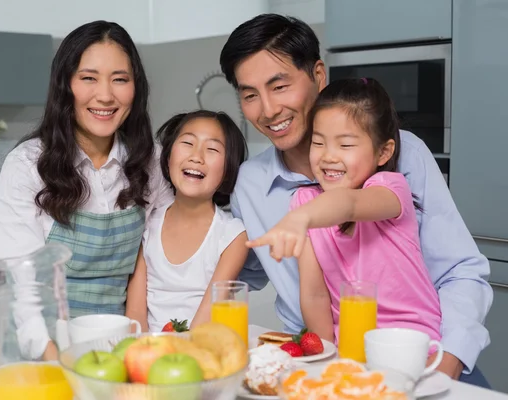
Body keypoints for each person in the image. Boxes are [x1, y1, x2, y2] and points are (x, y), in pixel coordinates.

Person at [219, 14, 492, 386]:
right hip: (327, 357)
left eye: (279, 86)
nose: (267, 111)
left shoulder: (404, 157)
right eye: (250, 95)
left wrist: (447, 365)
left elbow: (461, 272)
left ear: (318, 75)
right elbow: (243, 269)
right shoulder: (250, 183)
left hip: (429, 353)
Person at [0, 20, 173, 369]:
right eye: (88, 78)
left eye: (120, 79)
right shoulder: (27, 166)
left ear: (136, 87)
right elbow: (22, 289)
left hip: (113, 353)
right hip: (38, 355)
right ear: (65, 85)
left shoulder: (152, 161)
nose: (105, 95)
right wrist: (60, 364)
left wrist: (138, 346)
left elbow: (151, 261)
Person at [248, 78, 442, 347]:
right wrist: (325, 355)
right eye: (318, 143)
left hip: (411, 341)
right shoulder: (304, 202)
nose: (328, 156)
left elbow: (348, 204)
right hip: (348, 344)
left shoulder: (390, 189)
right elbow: (315, 294)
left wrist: (300, 219)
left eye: (345, 145)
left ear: (383, 152)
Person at [126, 110, 249, 332]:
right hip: (147, 352)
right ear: (168, 157)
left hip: (201, 351)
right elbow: (135, 315)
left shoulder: (233, 235)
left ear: (228, 169)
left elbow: (208, 317)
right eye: (187, 143)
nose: (196, 156)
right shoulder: (146, 222)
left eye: (212, 149)